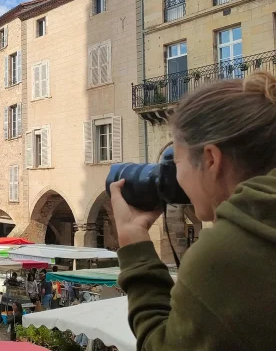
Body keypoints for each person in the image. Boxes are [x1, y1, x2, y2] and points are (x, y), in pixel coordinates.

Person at [110, 71, 276, 351]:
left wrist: (133, 241)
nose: (173, 176)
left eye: (176, 161)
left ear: (211, 159)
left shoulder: (230, 251)